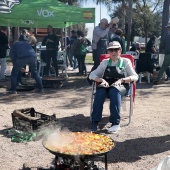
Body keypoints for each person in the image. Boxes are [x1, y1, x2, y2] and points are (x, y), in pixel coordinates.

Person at [89, 41, 138, 133]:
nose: (114, 52)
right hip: (107, 84)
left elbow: (135, 76)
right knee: (99, 92)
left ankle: (115, 123)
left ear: (120, 50)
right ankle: (95, 121)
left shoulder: (126, 62)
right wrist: (100, 80)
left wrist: (122, 80)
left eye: (116, 49)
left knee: (114, 91)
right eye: (111, 50)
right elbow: (92, 75)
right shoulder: (105, 62)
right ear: (108, 52)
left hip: (122, 86)